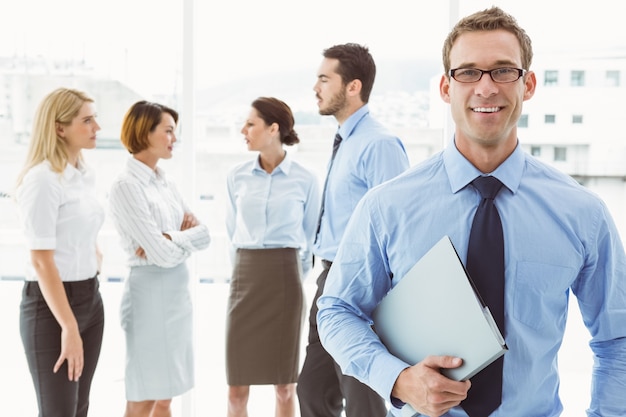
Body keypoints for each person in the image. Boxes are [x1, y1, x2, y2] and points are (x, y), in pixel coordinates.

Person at [317, 6, 626, 417]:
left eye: (503, 71)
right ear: (446, 87)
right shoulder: (386, 206)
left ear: (528, 84)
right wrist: (397, 378)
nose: (486, 88)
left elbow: (617, 338)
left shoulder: (581, 213)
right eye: (468, 72)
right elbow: (337, 311)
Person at [297, 43, 410, 417]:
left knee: (362, 397)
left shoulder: (378, 144)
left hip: (362, 284)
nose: (316, 88)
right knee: (312, 391)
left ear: (353, 87)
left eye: (324, 79)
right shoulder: (345, 141)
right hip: (328, 279)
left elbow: (398, 225)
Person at [108, 101, 211, 417]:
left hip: (176, 299)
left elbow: (204, 235)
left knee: (167, 395)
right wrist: (172, 241)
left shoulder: (166, 182)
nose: (173, 139)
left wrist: (169, 237)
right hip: (149, 297)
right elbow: (163, 256)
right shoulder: (126, 185)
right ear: (144, 132)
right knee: (144, 395)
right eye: (167, 131)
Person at [224, 97, 320, 417]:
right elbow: (231, 229)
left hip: (285, 279)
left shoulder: (305, 180)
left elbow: (310, 237)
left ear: (273, 128)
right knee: (237, 388)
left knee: (284, 387)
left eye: (250, 124)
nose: (244, 130)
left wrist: (292, 273)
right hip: (245, 276)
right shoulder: (236, 177)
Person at [14, 87, 104, 417]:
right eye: (88, 120)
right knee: (59, 412)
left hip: (89, 298)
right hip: (51, 309)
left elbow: (79, 227)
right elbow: (41, 259)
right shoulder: (42, 180)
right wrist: (68, 326)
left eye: (96, 119)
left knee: (79, 408)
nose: (97, 128)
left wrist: (94, 256)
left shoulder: (83, 176)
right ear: (59, 127)